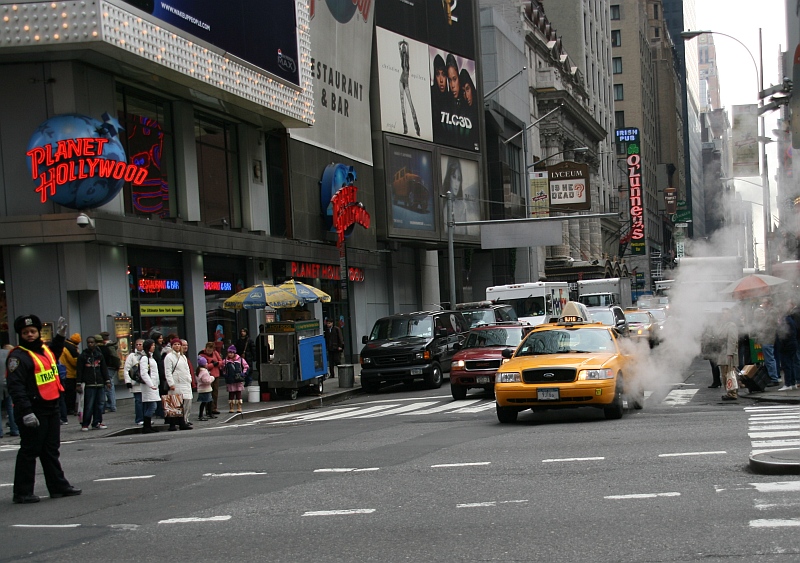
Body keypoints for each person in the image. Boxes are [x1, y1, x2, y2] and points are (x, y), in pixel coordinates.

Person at [6, 314, 81, 503]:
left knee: (51, 449)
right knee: (30, 451)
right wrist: (26, 412)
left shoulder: (44, 350)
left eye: (33, 331)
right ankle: (22, 493)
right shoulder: (18, 356)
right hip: (33, 410)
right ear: (20, 335)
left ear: (39, 332)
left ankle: (58, 487)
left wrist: (60, 336)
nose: (30, 335)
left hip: (51, 406)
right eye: (25, 332)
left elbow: (54, 351)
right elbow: (16, 387)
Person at [77, 335, 110, 430]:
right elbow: (79, 370)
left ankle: (97, 422)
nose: (90, 344)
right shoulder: (83, 356)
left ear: (95, 343)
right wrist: (78, 383)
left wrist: (107, 381)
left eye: (92, 342)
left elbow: (104, 368)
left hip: (99, 383)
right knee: (89, 405)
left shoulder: (99, 355)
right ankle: (85, 423)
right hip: (89, 384)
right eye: (88, 342)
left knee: (99, 404)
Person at [163, 338, 192, 431]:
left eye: (179, 344)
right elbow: (167, 371)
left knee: (184, 403)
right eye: (175, 344)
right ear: (172, 346)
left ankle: (182, 422)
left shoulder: (183, 357)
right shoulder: (169, 357)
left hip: (184, 382)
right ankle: (172, 425)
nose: (177, 346)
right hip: (176, 383)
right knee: (174, 404)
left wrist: (189, 379)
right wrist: (171, 383)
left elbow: (187, 369)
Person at [753, 304, 780, 386]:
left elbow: (766, 330)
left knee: (769, 360)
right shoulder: (766, 319)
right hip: (767, 341)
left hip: (767, 341)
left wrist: (759, 334)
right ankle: (772, 377)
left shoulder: (768, 320)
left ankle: (774, 378)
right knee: (769, 360)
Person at [398, 39, 420, 137]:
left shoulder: (407, 59)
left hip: (406, 83)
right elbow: (398, 45)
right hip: (401, 81)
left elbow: (408, 49)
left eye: (404, 48)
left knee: (411, 105)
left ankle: (417, 127)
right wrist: (402, 44)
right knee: (402, 104)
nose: (402, 49)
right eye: (402, 48)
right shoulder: (402, 58)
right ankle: (405, 127)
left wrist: (406, 44)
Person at [138, 339, 160, 434]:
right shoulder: (144, 358)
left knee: (151, 405)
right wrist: (151, 384)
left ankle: (148, 426)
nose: (154, 347)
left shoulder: (151, 357)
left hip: (154, 385)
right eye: (152, 345)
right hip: (149, 386)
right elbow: (144, 373)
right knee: (152, 406)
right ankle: (146, 426)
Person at [717, 309, 740, 401]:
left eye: (725, 314)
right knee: (724, 374)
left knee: (729, 374)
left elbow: (732, 340)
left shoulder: (731, 325)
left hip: (728, 353)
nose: (723, 315)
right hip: (723, 352)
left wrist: (730, 353)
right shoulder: (723, 325)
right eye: (722, 314)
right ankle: (729, 392)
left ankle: (732, 393)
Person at [776, 306, 798, 391]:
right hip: (792, 344)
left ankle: (788, 383)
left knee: (786, 364)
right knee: (791, 364)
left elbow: (785, 334)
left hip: (786, 346)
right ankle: (793, 383)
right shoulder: (790, 320)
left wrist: (781, 345)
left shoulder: (785, 321)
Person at [96, 332, 120, 413]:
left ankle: (111, 405)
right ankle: (111, 405)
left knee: (108, 386)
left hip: (108, 367)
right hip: (112, 367)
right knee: (110, 385)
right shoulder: (111, 345)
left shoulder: (105, 347)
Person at [123, 339, 145, 425]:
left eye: (140, 344)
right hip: (136, 383)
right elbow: (127, 369)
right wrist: (128, 381)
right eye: (137, 344)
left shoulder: (147, 355)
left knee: (146, 401)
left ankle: (146, 418)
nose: (139, 346)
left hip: (146, 382)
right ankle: (139, 419)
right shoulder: (132, 356)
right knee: (138, 401)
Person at [0, 344, 20, 438]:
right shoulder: (10, 354)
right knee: (10, 407)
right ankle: (14, 429)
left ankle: (0, 432)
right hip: (8, 381)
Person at [222, 345, 248, 413]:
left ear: (234, 353)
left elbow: (246, 366)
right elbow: (222, 368)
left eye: (231, 353)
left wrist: (243, 373)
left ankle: (239, 407)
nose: (230, 354)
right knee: (231, 393)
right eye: (229, 353)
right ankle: (231, 407)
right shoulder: (225, 361)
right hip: (230, 380)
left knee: (238, 393)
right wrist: (225, 374)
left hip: (238, 379)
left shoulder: (240, 360)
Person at [199, 341, 223, 415]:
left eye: (211, 350)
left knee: (215, 393)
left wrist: (217, 363)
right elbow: (205, 366)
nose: (209, 351)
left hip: (216, 375)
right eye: (208, 350)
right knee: (208, 393)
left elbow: (221, 361)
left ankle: (214, 408)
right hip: (207, 375)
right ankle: (208, 409)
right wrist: (213, 364)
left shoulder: (215, 353)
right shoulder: (202, 355)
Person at [59, 333, 80, 416]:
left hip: (62, 372)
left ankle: (65, 409)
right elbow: (75, 362)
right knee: (70, 394)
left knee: (64, 394)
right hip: (70, 373)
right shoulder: (71, 348)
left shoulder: (63, 345)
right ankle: (69, 409)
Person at [700, 321, 722, 388]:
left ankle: (716, 381)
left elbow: (711, 337)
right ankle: (717, 381)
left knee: (714, 365)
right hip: (713, 347)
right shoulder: (712, 326)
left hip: (713, 348)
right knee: (714, 365)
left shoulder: (711, 327)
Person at [195, 356, 214, 421]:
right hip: (205, 389)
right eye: (206, 363)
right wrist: (212, 378)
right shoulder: (204, 372)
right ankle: (202, 415)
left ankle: (209, 413)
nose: (207, 364)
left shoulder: (198, 371)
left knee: (207, 402)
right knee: (205, 402)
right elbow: (207, 381)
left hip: (201, 389)